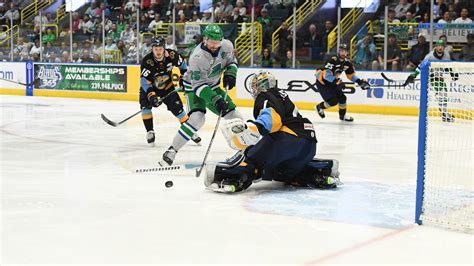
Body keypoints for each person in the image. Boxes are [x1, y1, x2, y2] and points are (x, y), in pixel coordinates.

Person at [204, 71, 341, 193]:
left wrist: (254, 127)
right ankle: (315, 173)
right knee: (281, 172)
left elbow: (273, 119)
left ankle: (235, 177)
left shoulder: (265, 95)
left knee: (251, 156)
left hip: (288, 139)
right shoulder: (281, 95)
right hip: (309, 144)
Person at [162, 24, 244, 165]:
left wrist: (231, 73)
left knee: (236, 117)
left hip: (214, 86)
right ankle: (172, 150)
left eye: (217, 42)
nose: (214, 46)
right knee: (197, 119)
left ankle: (248, 149)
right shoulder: (197, 57)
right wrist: (215, 99)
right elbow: (199, 86)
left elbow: (232, 61)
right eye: (211, 42)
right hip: (194, 89)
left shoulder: (227, 46)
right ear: (205, 40)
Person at [139, 37, 201, 150]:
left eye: (160, 49)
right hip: (150, 88)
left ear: (164, 48)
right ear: (152, 49)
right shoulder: (147, 61)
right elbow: (144, 82)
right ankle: (150, 131)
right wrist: (152, 97)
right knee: (145, 108)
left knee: (179, 110)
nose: (158, 52)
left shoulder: (173, 55)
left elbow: (183, 68)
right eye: (155, 49)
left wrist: (183, 79)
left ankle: (189, 131)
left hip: (167, 87)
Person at [314, 43, 370, 122]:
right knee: (333, 101)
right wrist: (337, 81)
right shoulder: (332, 60)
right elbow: (326, 75)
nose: (343, 53)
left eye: (345, 51)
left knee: (342, 98)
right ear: (339, 51)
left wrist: (360, 82)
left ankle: (342, 116)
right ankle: (319, 107)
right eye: (341, 51)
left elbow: (350, 76)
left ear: (347, 52)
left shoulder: (347, 63)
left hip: (333, 82)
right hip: (322, 82)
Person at [404, 39, 455, 122]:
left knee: (444, 94)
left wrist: (452, 74)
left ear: (444, 47)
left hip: (439, 76)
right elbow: (421, 66)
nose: (440, 48)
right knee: (442, 93)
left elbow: (447, 65)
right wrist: (413, 75)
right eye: (438, 46)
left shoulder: (446, 55)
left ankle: (444, 113)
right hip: (431, 76)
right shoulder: (429, 56)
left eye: (442, 46)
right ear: (436, 47)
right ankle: (444, 114)